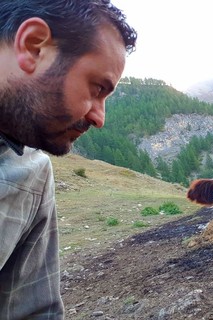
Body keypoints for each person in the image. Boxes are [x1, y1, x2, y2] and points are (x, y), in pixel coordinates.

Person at [0, 1, 137, 318]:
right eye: (97, 88)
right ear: (33, 46)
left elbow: (34, 311)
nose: (99, 117)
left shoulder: (32, 172)